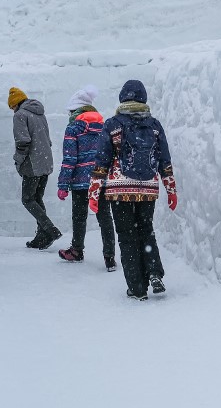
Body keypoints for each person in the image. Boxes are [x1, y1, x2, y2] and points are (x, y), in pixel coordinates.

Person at [90, 80, 178, 301]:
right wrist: (171, 189)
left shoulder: (112, 124)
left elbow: (102, 161)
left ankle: (137, 288)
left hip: (119, 190)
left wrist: (94, 192)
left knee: (127, 238)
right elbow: (164, 160)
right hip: (148, 188)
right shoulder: (155, 126)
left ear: (122, 98)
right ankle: (155, 273)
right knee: (146, 230)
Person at [56, 85, 117, 271]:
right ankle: (110, 257)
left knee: (79, 216)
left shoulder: (73, 128)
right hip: (100, 180)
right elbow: (111, 154)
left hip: (80, 181)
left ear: (76, 110)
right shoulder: (105, 126)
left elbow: (69, 159)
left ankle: (77, 250)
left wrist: (63, 184)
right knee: (105, 217)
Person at [8, 87, 62, 249]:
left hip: (33, 164)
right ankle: (41, 236)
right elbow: (47, 139)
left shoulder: (20, 115)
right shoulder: (39, 113)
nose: (12, 111)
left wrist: (18, 160)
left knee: (27, 199)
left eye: (11, 108)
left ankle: (50, 229)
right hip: (45, 162)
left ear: (15, 104)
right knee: (37, 199)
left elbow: (23, 142)